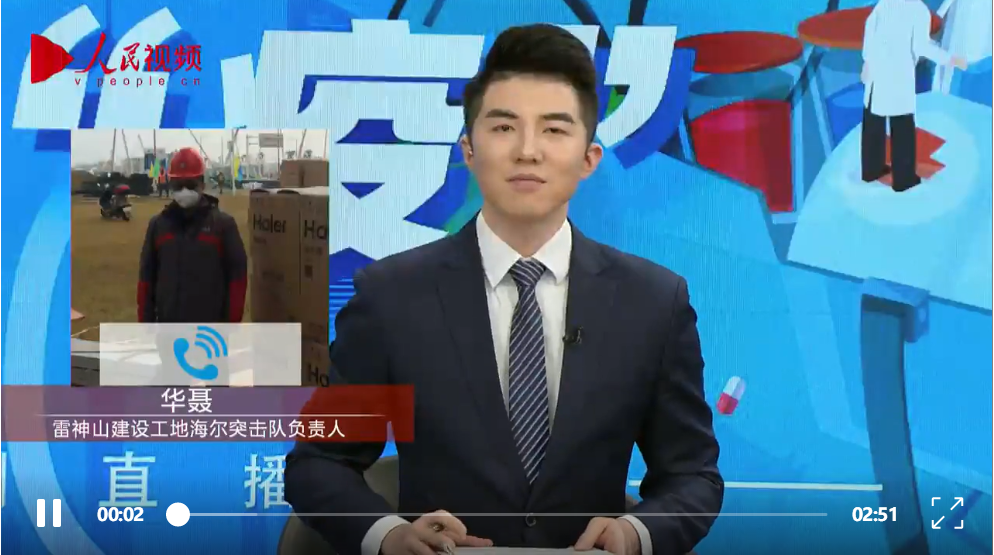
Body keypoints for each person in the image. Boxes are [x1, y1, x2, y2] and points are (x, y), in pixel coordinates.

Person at [285, 24, 723, 555]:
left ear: (589, 158)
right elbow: (318, 462)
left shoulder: (653, 302)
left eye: (555, 129)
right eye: (503, 127)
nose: (527, 151)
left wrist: (635, 533)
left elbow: (692, 477)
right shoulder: (391, 297)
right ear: (469, 150)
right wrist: (390, 536)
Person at [860, 0, 967, 192]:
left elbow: (870, 31)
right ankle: (904, 179)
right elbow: (922, 47)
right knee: (902, 127)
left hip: (875, 73)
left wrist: (867, 61)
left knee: (873, 122)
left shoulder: (884, 4)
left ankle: (871, 170)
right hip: (898, 75)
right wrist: (950, 59)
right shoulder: (918, 10)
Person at [137, 147, 248, 324]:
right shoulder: (158, 226)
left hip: (210, 330)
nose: (184, 191)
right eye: (178, 185)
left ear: (202, 184)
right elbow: (146, 278)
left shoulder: (223, 226)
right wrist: (146, 322)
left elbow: (237, 277)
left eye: (190, 185)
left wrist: (230, 323)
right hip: (168, 328)